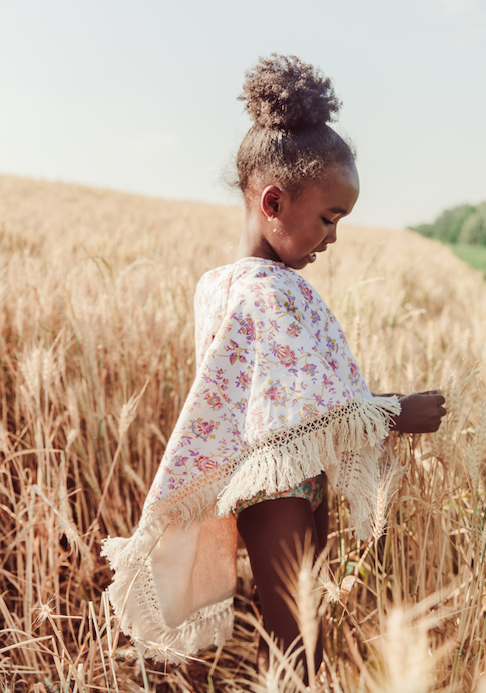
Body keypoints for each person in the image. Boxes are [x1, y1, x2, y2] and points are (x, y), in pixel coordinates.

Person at [102, 54, 446, 682]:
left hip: (273, 474)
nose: (333, 239)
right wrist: (402, 411)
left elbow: (285, 399)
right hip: (278, 484)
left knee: (289, 628)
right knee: (298, 638)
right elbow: (312, 408)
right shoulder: (270, 292)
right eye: (328, 218)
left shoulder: (219, 285)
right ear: (273, 200)